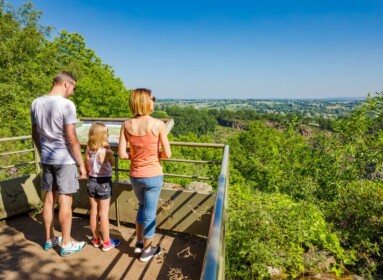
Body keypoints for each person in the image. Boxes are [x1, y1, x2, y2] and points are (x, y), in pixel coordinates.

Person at [31, 71, 87, 256]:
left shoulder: (36, 102)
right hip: (65, 160)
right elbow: (72, 138)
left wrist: (43, 153)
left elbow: (35, 134)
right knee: (65, 201)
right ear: (66, 83)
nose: (73, 92)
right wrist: (81, 164)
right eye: (73, 87)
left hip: (47, 158)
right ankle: (66, 243)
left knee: (49, 200)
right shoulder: (67, 105)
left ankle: (49, 240)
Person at [118, 88, 171, 262]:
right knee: (149, 212)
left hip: (135, 175)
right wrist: (156, 155)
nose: (154, 102)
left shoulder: (126, 125)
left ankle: (139, 242)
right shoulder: (158, 124)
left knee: (141, 206)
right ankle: (148, 250)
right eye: (152, 99)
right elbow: (167, 154)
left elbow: (122, 154)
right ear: (146, 101)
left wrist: (136, 155)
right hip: (153, 174)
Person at [85, 122, 121, 251]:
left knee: (93, 212)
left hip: (92, 181)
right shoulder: (106, 151)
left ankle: (96, 239)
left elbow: (87, 165)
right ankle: (107, 243)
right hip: (104, 182)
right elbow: (112, 164)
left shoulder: (89, 148)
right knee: (103, 214)